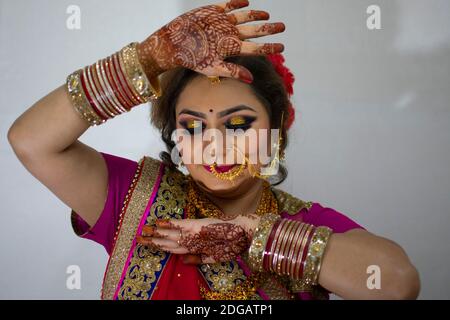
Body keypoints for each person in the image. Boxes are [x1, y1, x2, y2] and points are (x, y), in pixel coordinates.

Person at [7, 0, 420, 300]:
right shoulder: (133, 200)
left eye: (238, 124)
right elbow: (31, 141)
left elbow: (397, 284)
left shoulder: (305, 221)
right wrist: (147, 60)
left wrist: (254, 236)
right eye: (192, 126)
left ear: (276, 131)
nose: (213, 143)